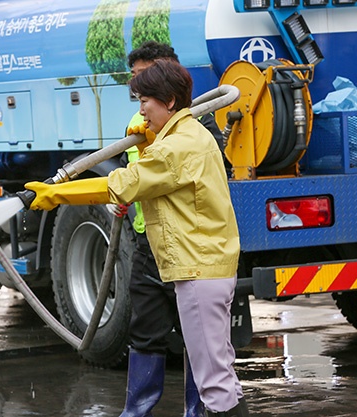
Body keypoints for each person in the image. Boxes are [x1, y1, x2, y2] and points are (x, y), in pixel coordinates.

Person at [24, 59, 248, 417]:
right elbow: (159, 179)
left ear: (170, 101)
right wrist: (150, 141)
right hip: (210, 267)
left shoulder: (175, 148)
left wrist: (57, 194)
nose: (141, 109)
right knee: (221, 374)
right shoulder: (190, 136)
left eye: (146, 100)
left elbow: (122, 184)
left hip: (197, 272)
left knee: (214, 383)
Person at [106, 40, 224, 417]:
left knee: (199, 338)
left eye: (147, 82)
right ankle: (137, 410)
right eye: (137, 80)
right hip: (150, 244)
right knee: (146, 328)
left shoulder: (193, 128)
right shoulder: (140, 126)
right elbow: (134, 175)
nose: (140, 96)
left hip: (189, 253)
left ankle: (197, 410)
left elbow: (157, 172)